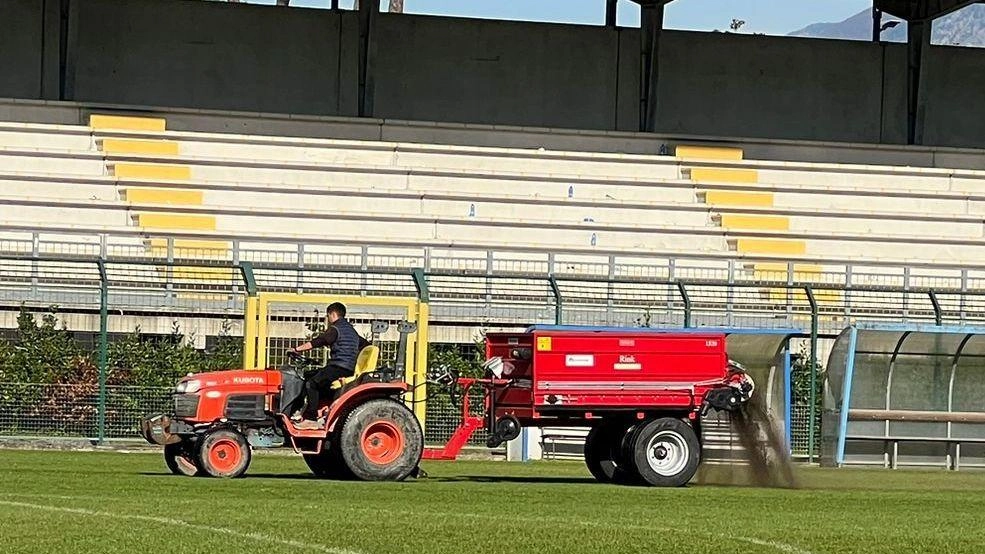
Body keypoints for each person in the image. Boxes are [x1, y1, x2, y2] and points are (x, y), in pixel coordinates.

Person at [289, 302, 369, 429]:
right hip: (348, 369)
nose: (328, 319)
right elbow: (365, 345)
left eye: (328, 316)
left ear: (332, 314)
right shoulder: (351, 331)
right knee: (309, 375)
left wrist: (296, 349)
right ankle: (298, 411)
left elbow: (318, 342)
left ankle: (310, 418)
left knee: (311, 383)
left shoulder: (335, 329)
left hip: (338, 367)